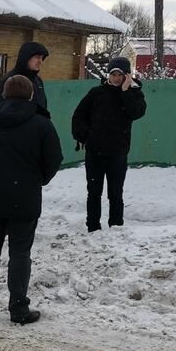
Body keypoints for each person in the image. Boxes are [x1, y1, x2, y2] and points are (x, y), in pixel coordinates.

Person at [0, 74, 63, 325]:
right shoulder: (41, 124)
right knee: (20, 253)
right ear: (31, 95)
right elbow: (54, 159)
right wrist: (38, 179)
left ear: (4, 94)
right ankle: (19, 309)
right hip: (25, 198)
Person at [70, 56, 148, 232]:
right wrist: (84, 136)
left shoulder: (134, 93)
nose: (116, 78)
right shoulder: (96, 93)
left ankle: (116, 226)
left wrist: (126, 91)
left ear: (127, 75)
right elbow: (79, 115)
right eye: (113, 74)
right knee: (94, 192)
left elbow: (136, 112)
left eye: (120, 74)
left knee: (115, 193)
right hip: (94, 152)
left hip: (118, 152)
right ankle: (93, 226)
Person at [0, 42, 50, 109]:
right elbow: (1, 109)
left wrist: (43, 119)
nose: (40, 62)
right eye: (37, 57)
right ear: (26, 57)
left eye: (42, 58)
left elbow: (43, 105)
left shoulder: (38, 80)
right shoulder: (10, 80)